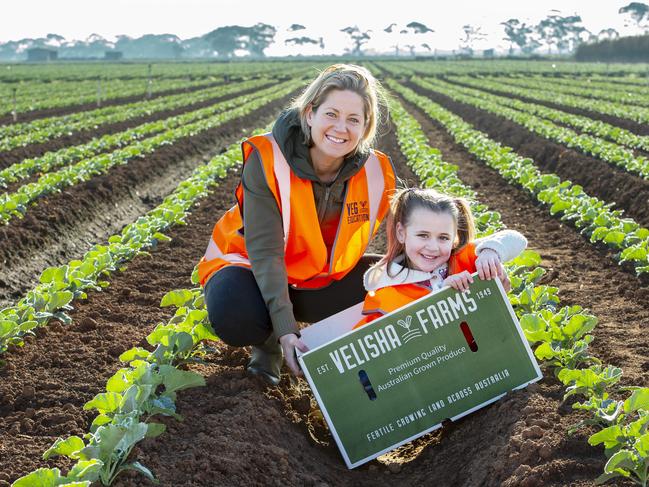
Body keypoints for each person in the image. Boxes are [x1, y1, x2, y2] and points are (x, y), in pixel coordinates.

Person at [197, 64, 396, 385]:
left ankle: (347, 361)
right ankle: (268, 348)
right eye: (331, 114)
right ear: (309, 114)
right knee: (235, 313)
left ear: (366, 127)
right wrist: (286, 331)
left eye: (353, 120)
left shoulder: (376, 171)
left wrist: (479, 255)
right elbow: (265, 253)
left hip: (314, 279)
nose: (341, 128)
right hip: (250, 269)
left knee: (390, 282)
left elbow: (418, 230)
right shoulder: (269, 159)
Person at [354, 187, 527, 328]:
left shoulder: (462, 258)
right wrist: (443, 296)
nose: (433, 247)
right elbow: (363, 343)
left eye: (443, 238)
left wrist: (491, 252)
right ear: (401, 233)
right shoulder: (386, 293)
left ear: (454, 238)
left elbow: (515, 238)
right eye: (423, 235)